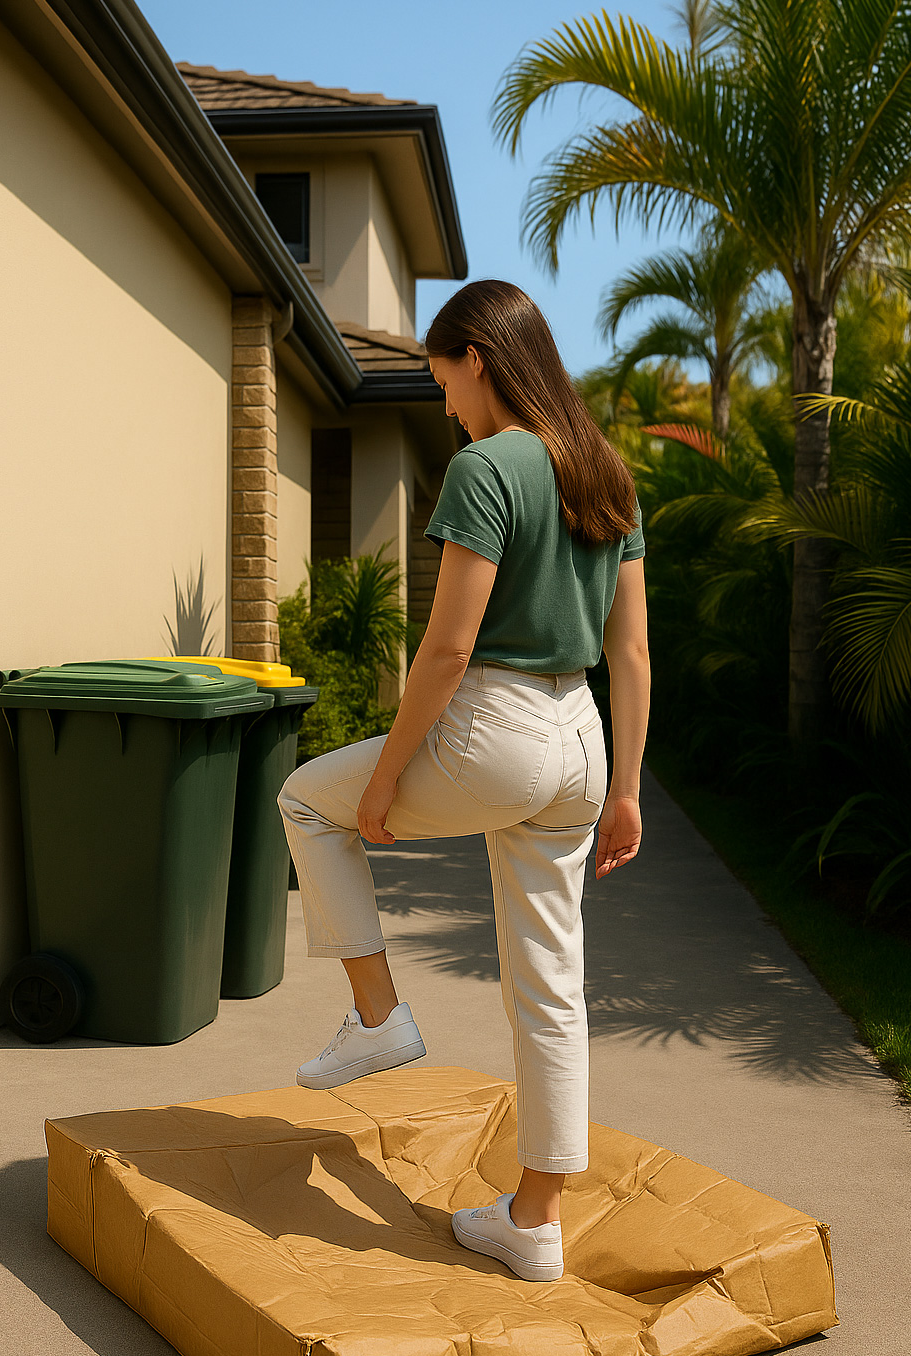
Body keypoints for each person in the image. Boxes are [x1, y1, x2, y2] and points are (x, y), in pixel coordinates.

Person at [278, 279, 650, 1283]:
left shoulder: (488, 470)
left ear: (476, 359)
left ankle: (375, 1018)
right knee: (551, 990)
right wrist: (625, 791)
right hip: (580, 746)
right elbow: (632, 657)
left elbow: (444, 653)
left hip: (500, 732)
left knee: (310, 798)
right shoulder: (605, 474)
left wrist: (384, 780)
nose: (443, 401)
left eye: (443, 378)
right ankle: (534, 1222)